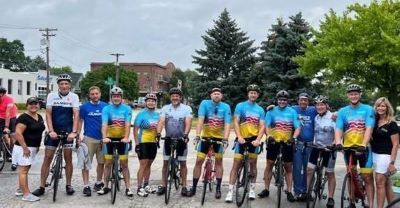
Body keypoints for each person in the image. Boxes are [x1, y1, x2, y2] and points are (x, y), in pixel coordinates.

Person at [32, 74, 80, 196]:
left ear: (69, 85)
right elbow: (48, 114)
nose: (64, 86)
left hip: (68, 130)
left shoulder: (74, 96)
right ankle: (42, 186)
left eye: (66, 83)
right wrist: (51, 130)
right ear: (58, 85)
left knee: (68, 157)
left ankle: (68, 185)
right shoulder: (51, 96)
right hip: (54, 130)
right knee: (47, 157)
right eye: (61, 84)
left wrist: (74, 132)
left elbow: (76, 115)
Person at [335, 84, 375, 207]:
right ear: (348, 95)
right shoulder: (343, 111)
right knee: (351, 174)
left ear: (360, 94)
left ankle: (371, 204)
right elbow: (339, 128)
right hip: (348, 148)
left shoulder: (368, 109)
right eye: (351, 94)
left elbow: (369, 127)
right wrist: (337, 142)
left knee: (367, 176)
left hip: (364, 148)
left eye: (356, 93)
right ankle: (351, 201)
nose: (353, 96)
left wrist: (364, 143)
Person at [187, 87, 231, 199]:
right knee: (199, 161)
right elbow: (200, 120)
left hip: (219, 138)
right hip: (206, 136)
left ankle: (218, 188)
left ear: (222, 96)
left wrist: (225, 139)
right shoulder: (204, 104)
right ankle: (194, 188)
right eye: (214, 94)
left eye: (219, 94)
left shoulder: (226, 107)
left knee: (219, 161)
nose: (216, 95)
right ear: (211, 95)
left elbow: (227, 124)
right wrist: (197, 135)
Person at [225, 84, 265, 202]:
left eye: (255, 93)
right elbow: (236, 122)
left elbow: (262, 126)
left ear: (258, 95)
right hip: (242, 139)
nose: (253, 94)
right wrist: (239, 136)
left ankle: (252, 189)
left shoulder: (260, 109)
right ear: (248, 94)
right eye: (251, 93)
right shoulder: (240, 106)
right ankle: (230, 191)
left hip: (253, 140)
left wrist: (258, 139)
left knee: (253, 164)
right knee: (236, 164)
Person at [258, 90, 300, 202]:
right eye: (280, 100)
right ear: (277, 100)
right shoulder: (271, 111)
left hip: (287, 142)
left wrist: (294, 138)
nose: (282, 101)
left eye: (284, 100)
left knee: (288, 166)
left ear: (287, 101)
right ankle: (266, 189)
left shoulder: (292, 112)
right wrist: (268, 136)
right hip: (273, 141)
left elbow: (297, 127)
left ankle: (289, 191)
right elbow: (267, 125)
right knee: (270, 164)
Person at [97, 86, 134, 197]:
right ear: (111, 97)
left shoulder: (127, 109)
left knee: (124, 164)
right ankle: (105, 186)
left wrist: (126, 137)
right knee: (107, 163)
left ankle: (128, 187)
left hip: (122, 138)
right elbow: (104, 124)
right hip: (109, 139)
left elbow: (127, 124)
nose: (116, 98)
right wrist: (104, 137)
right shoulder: (106, 109)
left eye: (118, 96)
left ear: (121, 97)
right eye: (114, 96)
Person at [156, 87, 193, 196]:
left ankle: (184, 186)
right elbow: (161, 121)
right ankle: (163, 185)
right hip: (169, 138)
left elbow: (188, 122)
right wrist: (158, 133)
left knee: (183, 163)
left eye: (177, 96)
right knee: (165, 162)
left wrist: (186, 134)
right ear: (170, 97)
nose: (175, 98)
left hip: (181, 139)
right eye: (173, 96)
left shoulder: (186, 108)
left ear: (180, 97)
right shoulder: (165, 108)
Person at [306, 95, 336, 207]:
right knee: (309, 169)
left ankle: (331, 198)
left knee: (329, 173)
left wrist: (334, 144)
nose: (319, 106)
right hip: (317, 147)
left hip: (329, 148)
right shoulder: (316, 117)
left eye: (322, 104)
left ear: (326, 106)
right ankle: (308, 193)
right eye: (318, 105)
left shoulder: (333, 117)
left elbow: (338, 131)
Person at [77, 86, 108, 196]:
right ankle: (86, 186)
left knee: (101, 162)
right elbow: (80, 121)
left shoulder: (105, 106)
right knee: (86, 163)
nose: (95, 96)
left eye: (96, 93)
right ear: (89, 95)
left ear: (100, 94)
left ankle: (99, 182)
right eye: (92, 94)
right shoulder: (84, 107)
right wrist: (78, 135)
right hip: (89, 138)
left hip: (103, 139)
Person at [14, 97, 45, 202]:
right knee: (23, 170)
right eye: (31, 104)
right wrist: (24, 147)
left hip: (33, 147)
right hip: (24, 147)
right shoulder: (23, 118)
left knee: (26, 169)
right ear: (27, 105)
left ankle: (20, 189)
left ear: (39, 105)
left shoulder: (39, 116)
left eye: (35, 104)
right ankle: (26, 194)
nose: (33, 106)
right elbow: (18, 133)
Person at [370, 97, 399, 208]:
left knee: (379, 183)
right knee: (386, 184)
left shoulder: (392, 124)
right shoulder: (374, 121)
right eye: (378, 105)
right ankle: (392, 206)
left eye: (383, 106)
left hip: (385, 156)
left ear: (387, 108)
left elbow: (396, 145)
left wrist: (392, 163)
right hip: (374, 154)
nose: (380, 108)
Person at [292, 92, 317, 201]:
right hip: (298, 143)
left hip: (310, 144)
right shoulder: (293, 109)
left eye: (305, 100)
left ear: (308, 102)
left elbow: (325, 110)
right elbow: (281, 107)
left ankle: (307, 192)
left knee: (309, 169)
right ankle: (297, 191)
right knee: (297, 168)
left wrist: (335, 113)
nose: (303, 102)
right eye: (301, 100)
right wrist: (271, 107)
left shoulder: (313, 110)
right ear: (298, 101)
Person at [133, 93, 160, 197]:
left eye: (153, 101)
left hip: (153, 143)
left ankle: (146, 185)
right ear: (145, 102)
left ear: (155, 103)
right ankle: (139, 187)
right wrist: (137, 144)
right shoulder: (141, 114)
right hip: (143, 142)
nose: (151, 102)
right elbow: (135, 129)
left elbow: (160, 127)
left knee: (149, 164)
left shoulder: (158, 114)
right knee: (143, 165)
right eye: (148, 101)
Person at [0, 86, 18, 170]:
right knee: (2, 137)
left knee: (11, 136)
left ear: (2, 94)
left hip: (11, 117)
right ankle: (2, 153)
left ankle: (11, 154)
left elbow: (8, 113)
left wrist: (6, 127)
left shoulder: (9, 99)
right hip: (0, 117)